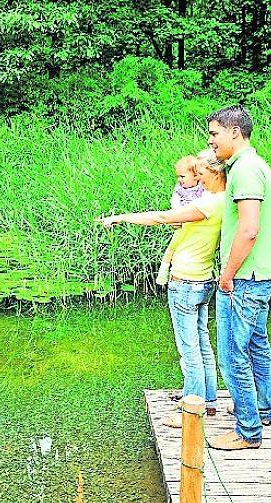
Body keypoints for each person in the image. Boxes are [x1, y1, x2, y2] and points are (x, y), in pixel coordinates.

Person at [97, 156, 227, 426]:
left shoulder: (207, 204)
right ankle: (209, 401)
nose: (199, 179)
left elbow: (162, 217)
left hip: (186, 282)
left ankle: (191, 410)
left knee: (188, 349)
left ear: (215, 174)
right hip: (205, 281)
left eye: (202, 173)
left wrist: (120, 218)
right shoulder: (225, 201)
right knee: (202, 342)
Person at [204, 105, 271, 451]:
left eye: (214, 133)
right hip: (263, 273)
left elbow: (249, 229)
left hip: (246, 277)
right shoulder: (252, 164)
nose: (211, 141)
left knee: (232, 353)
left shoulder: (245, 170)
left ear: (234, 132)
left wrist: (227, 274)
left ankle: (248, 431)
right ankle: (263, 409)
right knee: (256, 343)